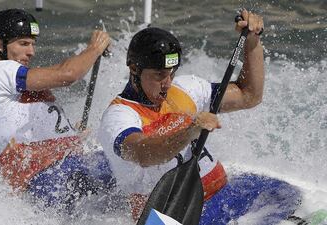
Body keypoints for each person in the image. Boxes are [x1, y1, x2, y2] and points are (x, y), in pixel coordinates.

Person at [99, 10, 301, 224]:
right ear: (134, 69)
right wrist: (191, 131)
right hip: (173, 215)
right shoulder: (119, 115)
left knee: (284, 193)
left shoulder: (185, 89)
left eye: (172, 73)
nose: (167, 83)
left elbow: (249, 96)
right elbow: (143, 154)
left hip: (221, 196)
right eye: (159, 75)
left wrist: (252, 42)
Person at [0, 8, 115, 211]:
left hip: (58, 175)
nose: (31, 52)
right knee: (131, 164)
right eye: (24, 43)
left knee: (129, 159)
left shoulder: (10, 88)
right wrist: (95, 48)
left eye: (33, 44)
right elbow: (68, 74)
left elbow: (28, 130)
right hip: (48, 180)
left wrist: (73, 135)